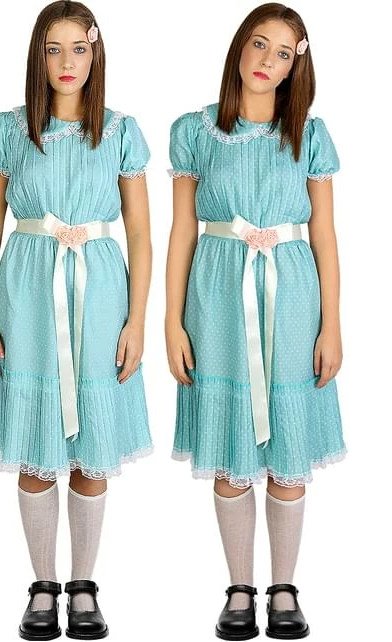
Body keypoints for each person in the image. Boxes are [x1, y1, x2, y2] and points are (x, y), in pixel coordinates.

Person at [0, 2, 152, 639]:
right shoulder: (8, 130)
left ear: (95, 54)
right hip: (26, 292)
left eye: (79, 48)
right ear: (38, 56)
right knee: (35, 444)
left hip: (99, 292)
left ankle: (83, 585)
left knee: (90, 449)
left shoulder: (121, 131)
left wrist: (136, 320)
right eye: (54, 49)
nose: (67, 62)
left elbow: (139, 232)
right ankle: (43, 585)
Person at [165, 3, 345, 639]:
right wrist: (171, 321)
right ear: (239, 46)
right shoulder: (195, 130)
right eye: (260, 44)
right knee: (231, 445)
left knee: (288, 444)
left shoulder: (309, 135)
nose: (268, 60)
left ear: (296, 66)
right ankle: (240, 587)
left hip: (292, 294)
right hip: (216, 294)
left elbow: (323, 234)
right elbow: (182, 230)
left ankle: (285, 587)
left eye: (284, 53)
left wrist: (331, 324)